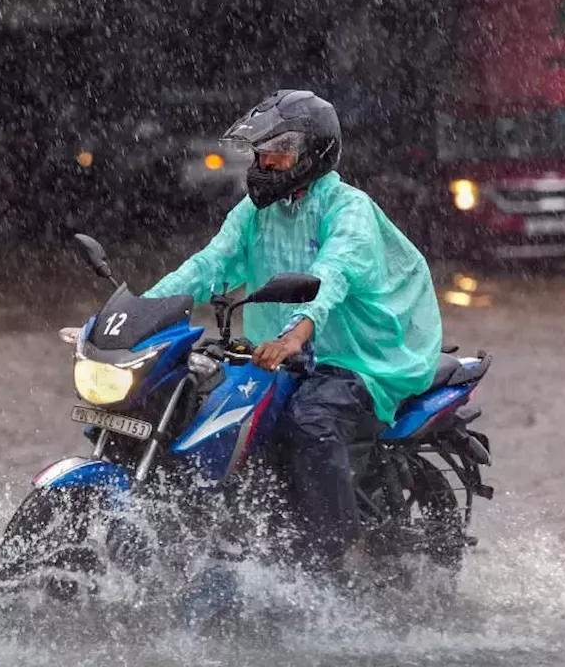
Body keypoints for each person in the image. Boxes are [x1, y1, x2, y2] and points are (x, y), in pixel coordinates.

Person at [141, 89, 444, 573]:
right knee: (203, 404)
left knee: (310, 419)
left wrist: (293, 337)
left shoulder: (349, 209)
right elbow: (209, 265)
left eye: (278, 153)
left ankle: (341, 555)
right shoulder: (254, 212)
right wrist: (139, 313)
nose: (264, 164)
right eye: (261, 153)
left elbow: (332, 274)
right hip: (279, 353)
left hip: (363, 357)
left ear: (312, 155)